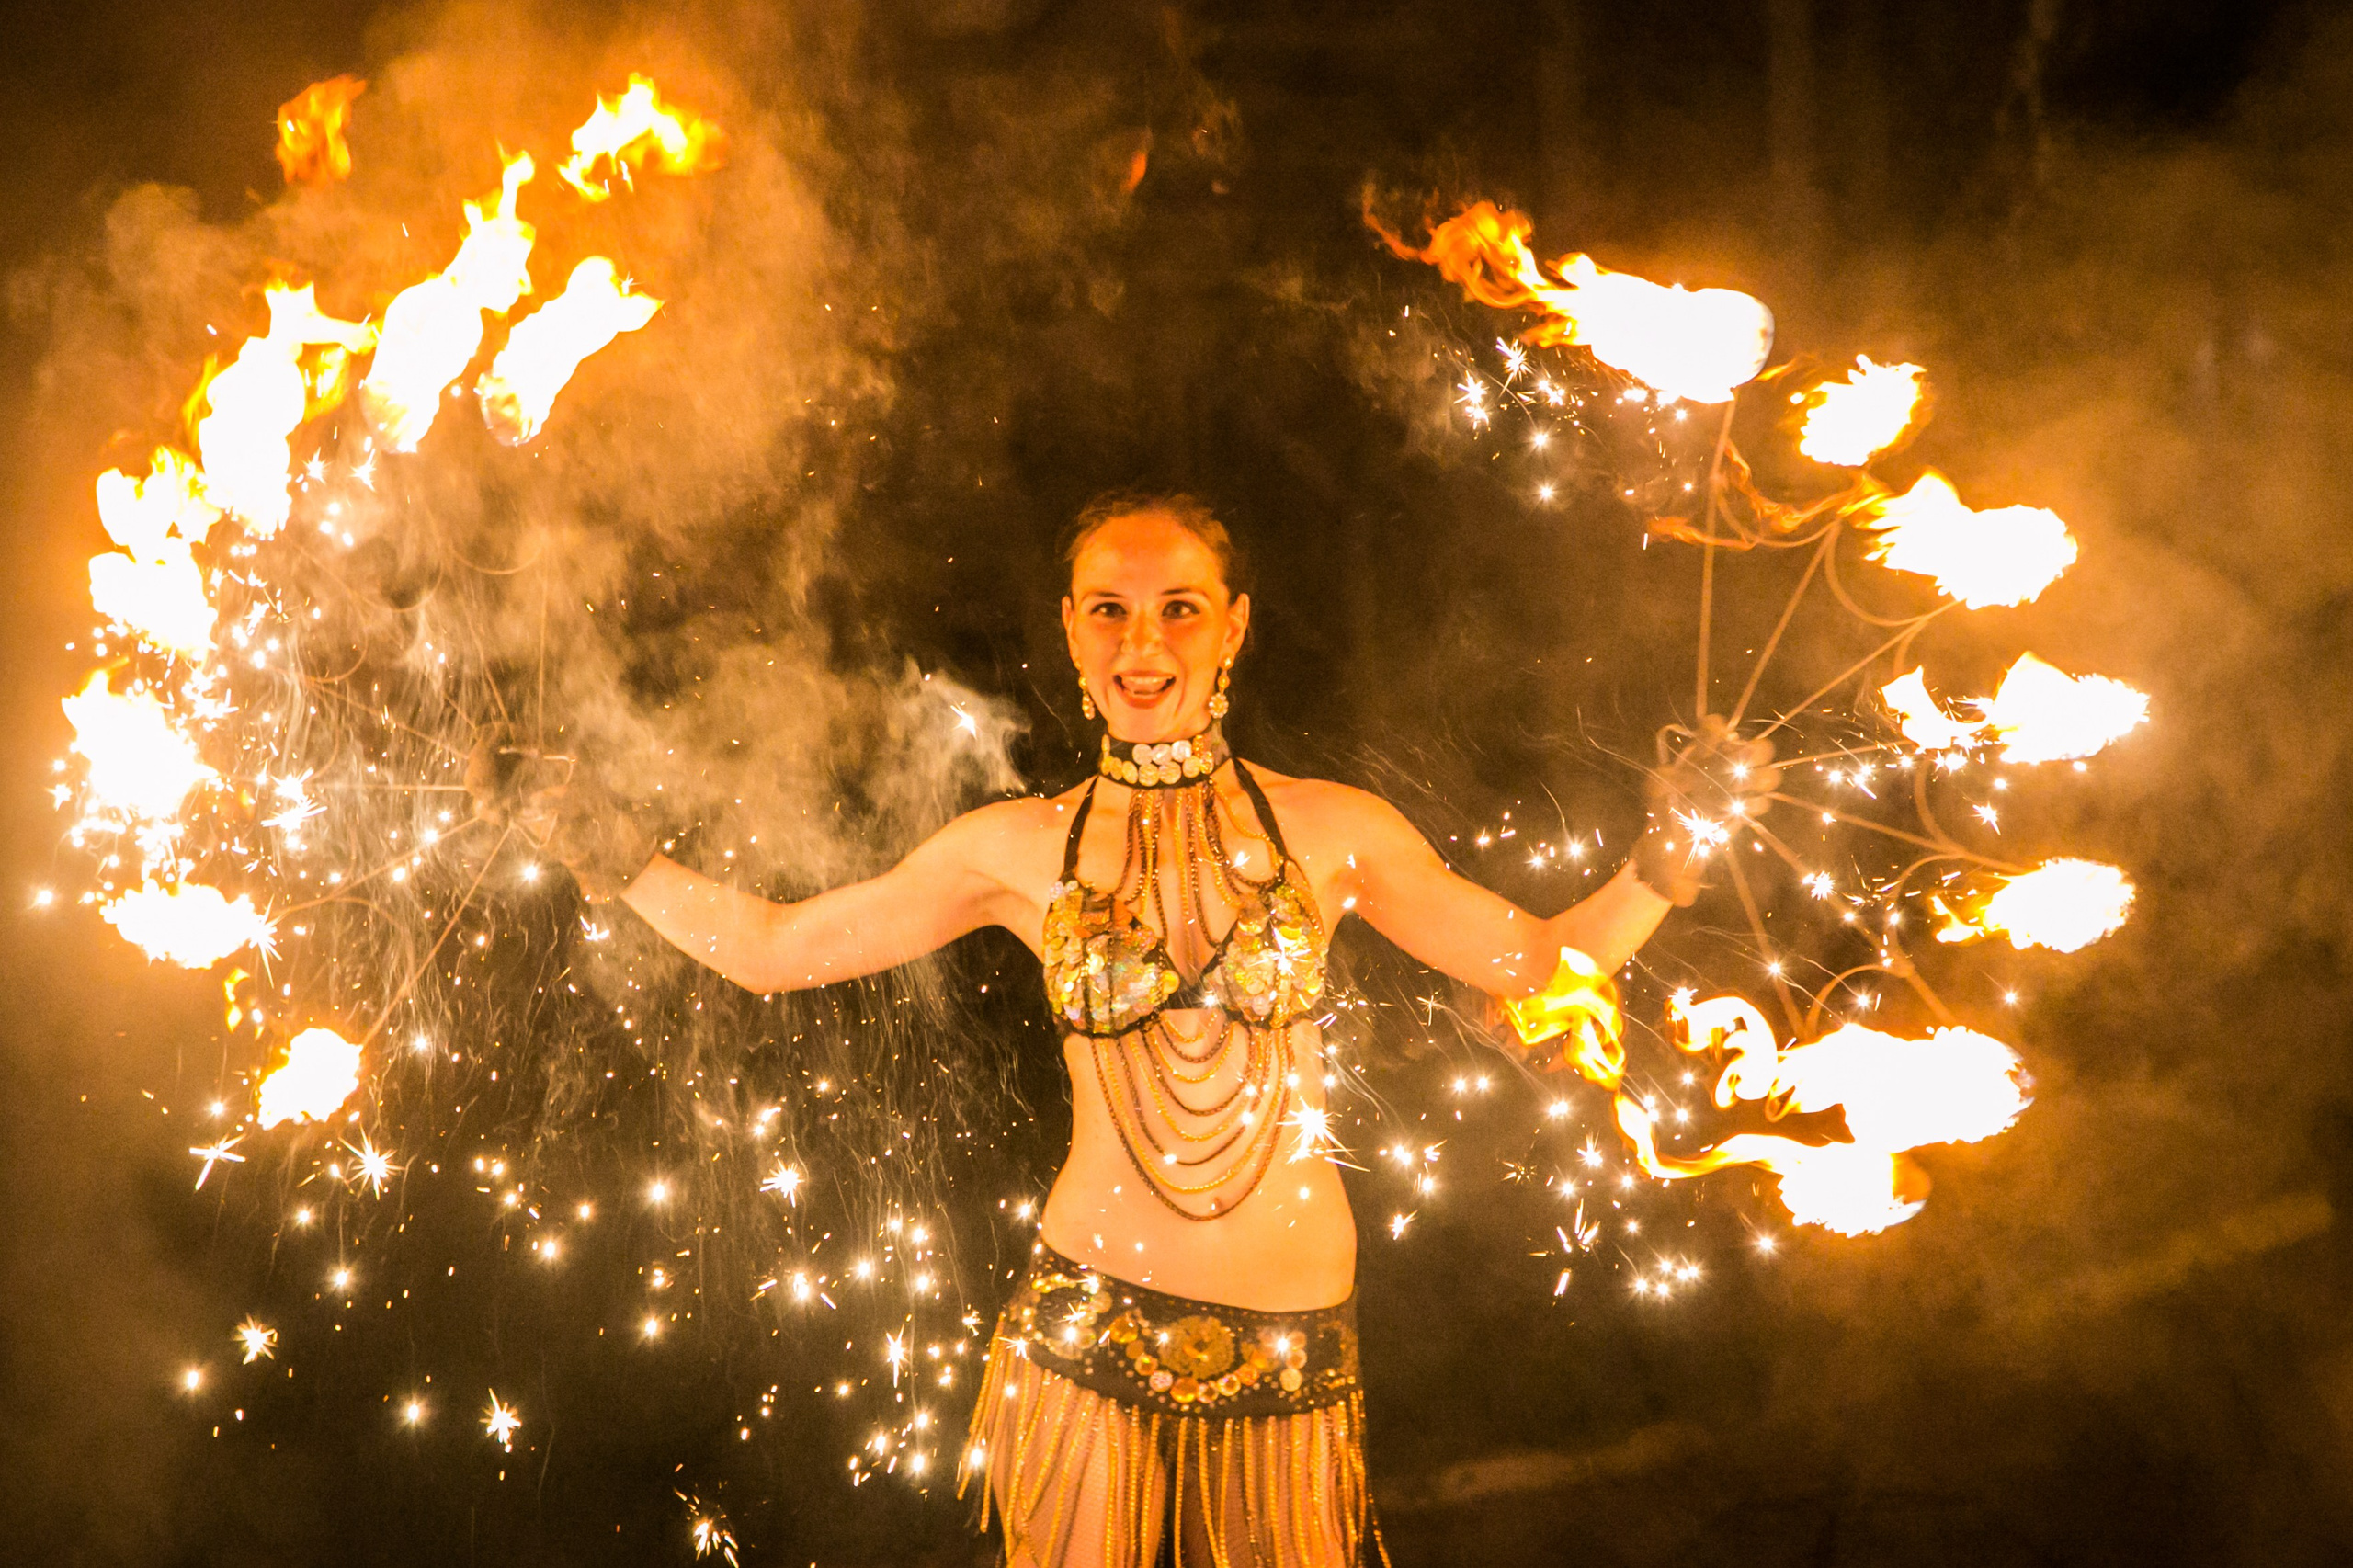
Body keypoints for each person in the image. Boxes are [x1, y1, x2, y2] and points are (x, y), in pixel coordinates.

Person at [507, 491, 1775, 1568]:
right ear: (1070, 630)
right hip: (1082, 1333)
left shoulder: (1334, 830)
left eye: (1179, 605)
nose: (1142, 637)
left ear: (1234, 626)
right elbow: (777, 950)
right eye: (1108, 607)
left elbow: (1538, 965)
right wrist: (612, 855)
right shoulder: (1016, 845)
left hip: (1294, 1350)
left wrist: (1671, 854)